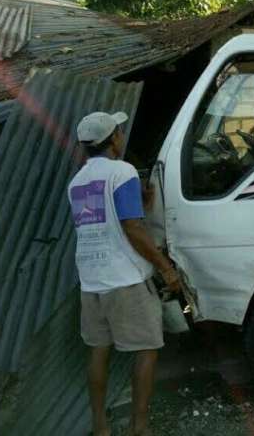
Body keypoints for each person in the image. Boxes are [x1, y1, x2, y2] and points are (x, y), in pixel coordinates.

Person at [67, 111, 180, 436]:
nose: (122, 136)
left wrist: (140, 203)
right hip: (125, 279)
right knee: (147, 348)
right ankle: (139, 428)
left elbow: (104, 219)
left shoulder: (78, 181)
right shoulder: (122, 171)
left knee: (98, 350)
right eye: (119, 131)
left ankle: (100, 427)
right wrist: (166, 268)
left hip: (92, 280)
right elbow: (131, 227)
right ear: (113, 140)